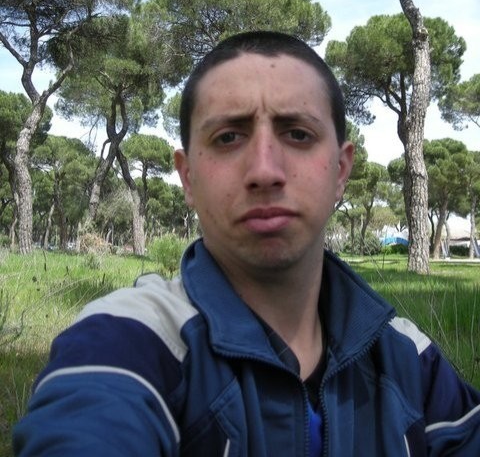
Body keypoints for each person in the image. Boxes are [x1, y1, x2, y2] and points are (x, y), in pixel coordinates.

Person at [13, 31, 480, 456]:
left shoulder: (410, 358)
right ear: (187, 177)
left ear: (341, 171)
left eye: (298, 134)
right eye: (229, 137)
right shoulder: (130, 339)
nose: (264, 171)